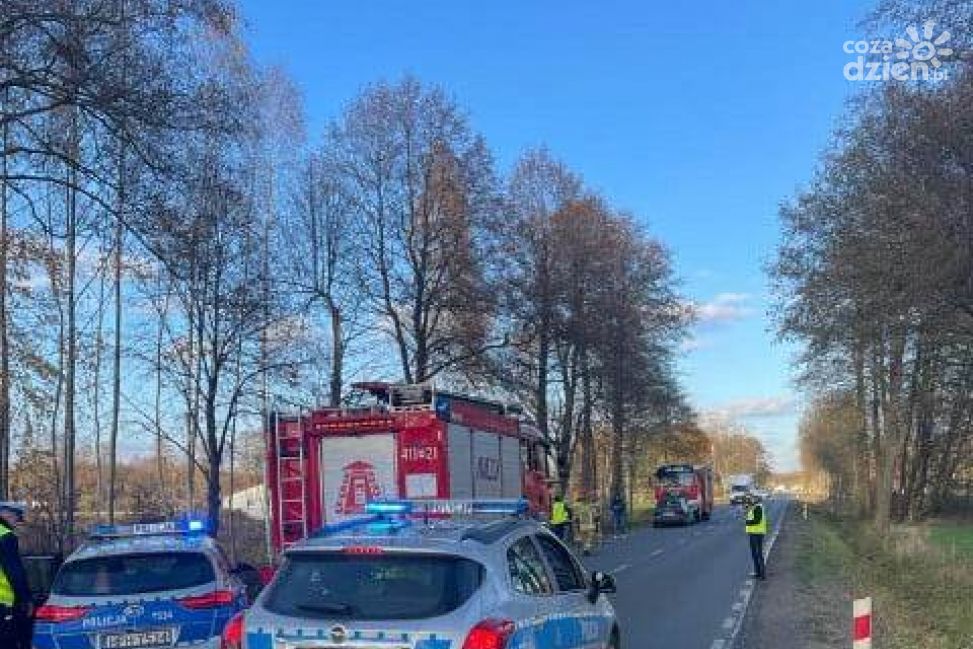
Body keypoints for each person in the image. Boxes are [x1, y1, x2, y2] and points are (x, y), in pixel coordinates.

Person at [0, 502, 32, 649]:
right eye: (16, 518)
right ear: (5, 514)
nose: (16, 523)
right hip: (3, 603)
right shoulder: (6, 536)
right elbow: (14, 571)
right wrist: (26, 599)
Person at [744, 495, 768, 580]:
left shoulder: (758, 508)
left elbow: (757, 520)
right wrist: (747, 510)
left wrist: (748, 522)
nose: (750, 501)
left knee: (758, 554)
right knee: (755, 554)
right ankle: (758, 572)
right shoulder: (754, 508)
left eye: (751, 500)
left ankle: (762, 574)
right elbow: (749, 515)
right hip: (754, 533)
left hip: (756, 534)